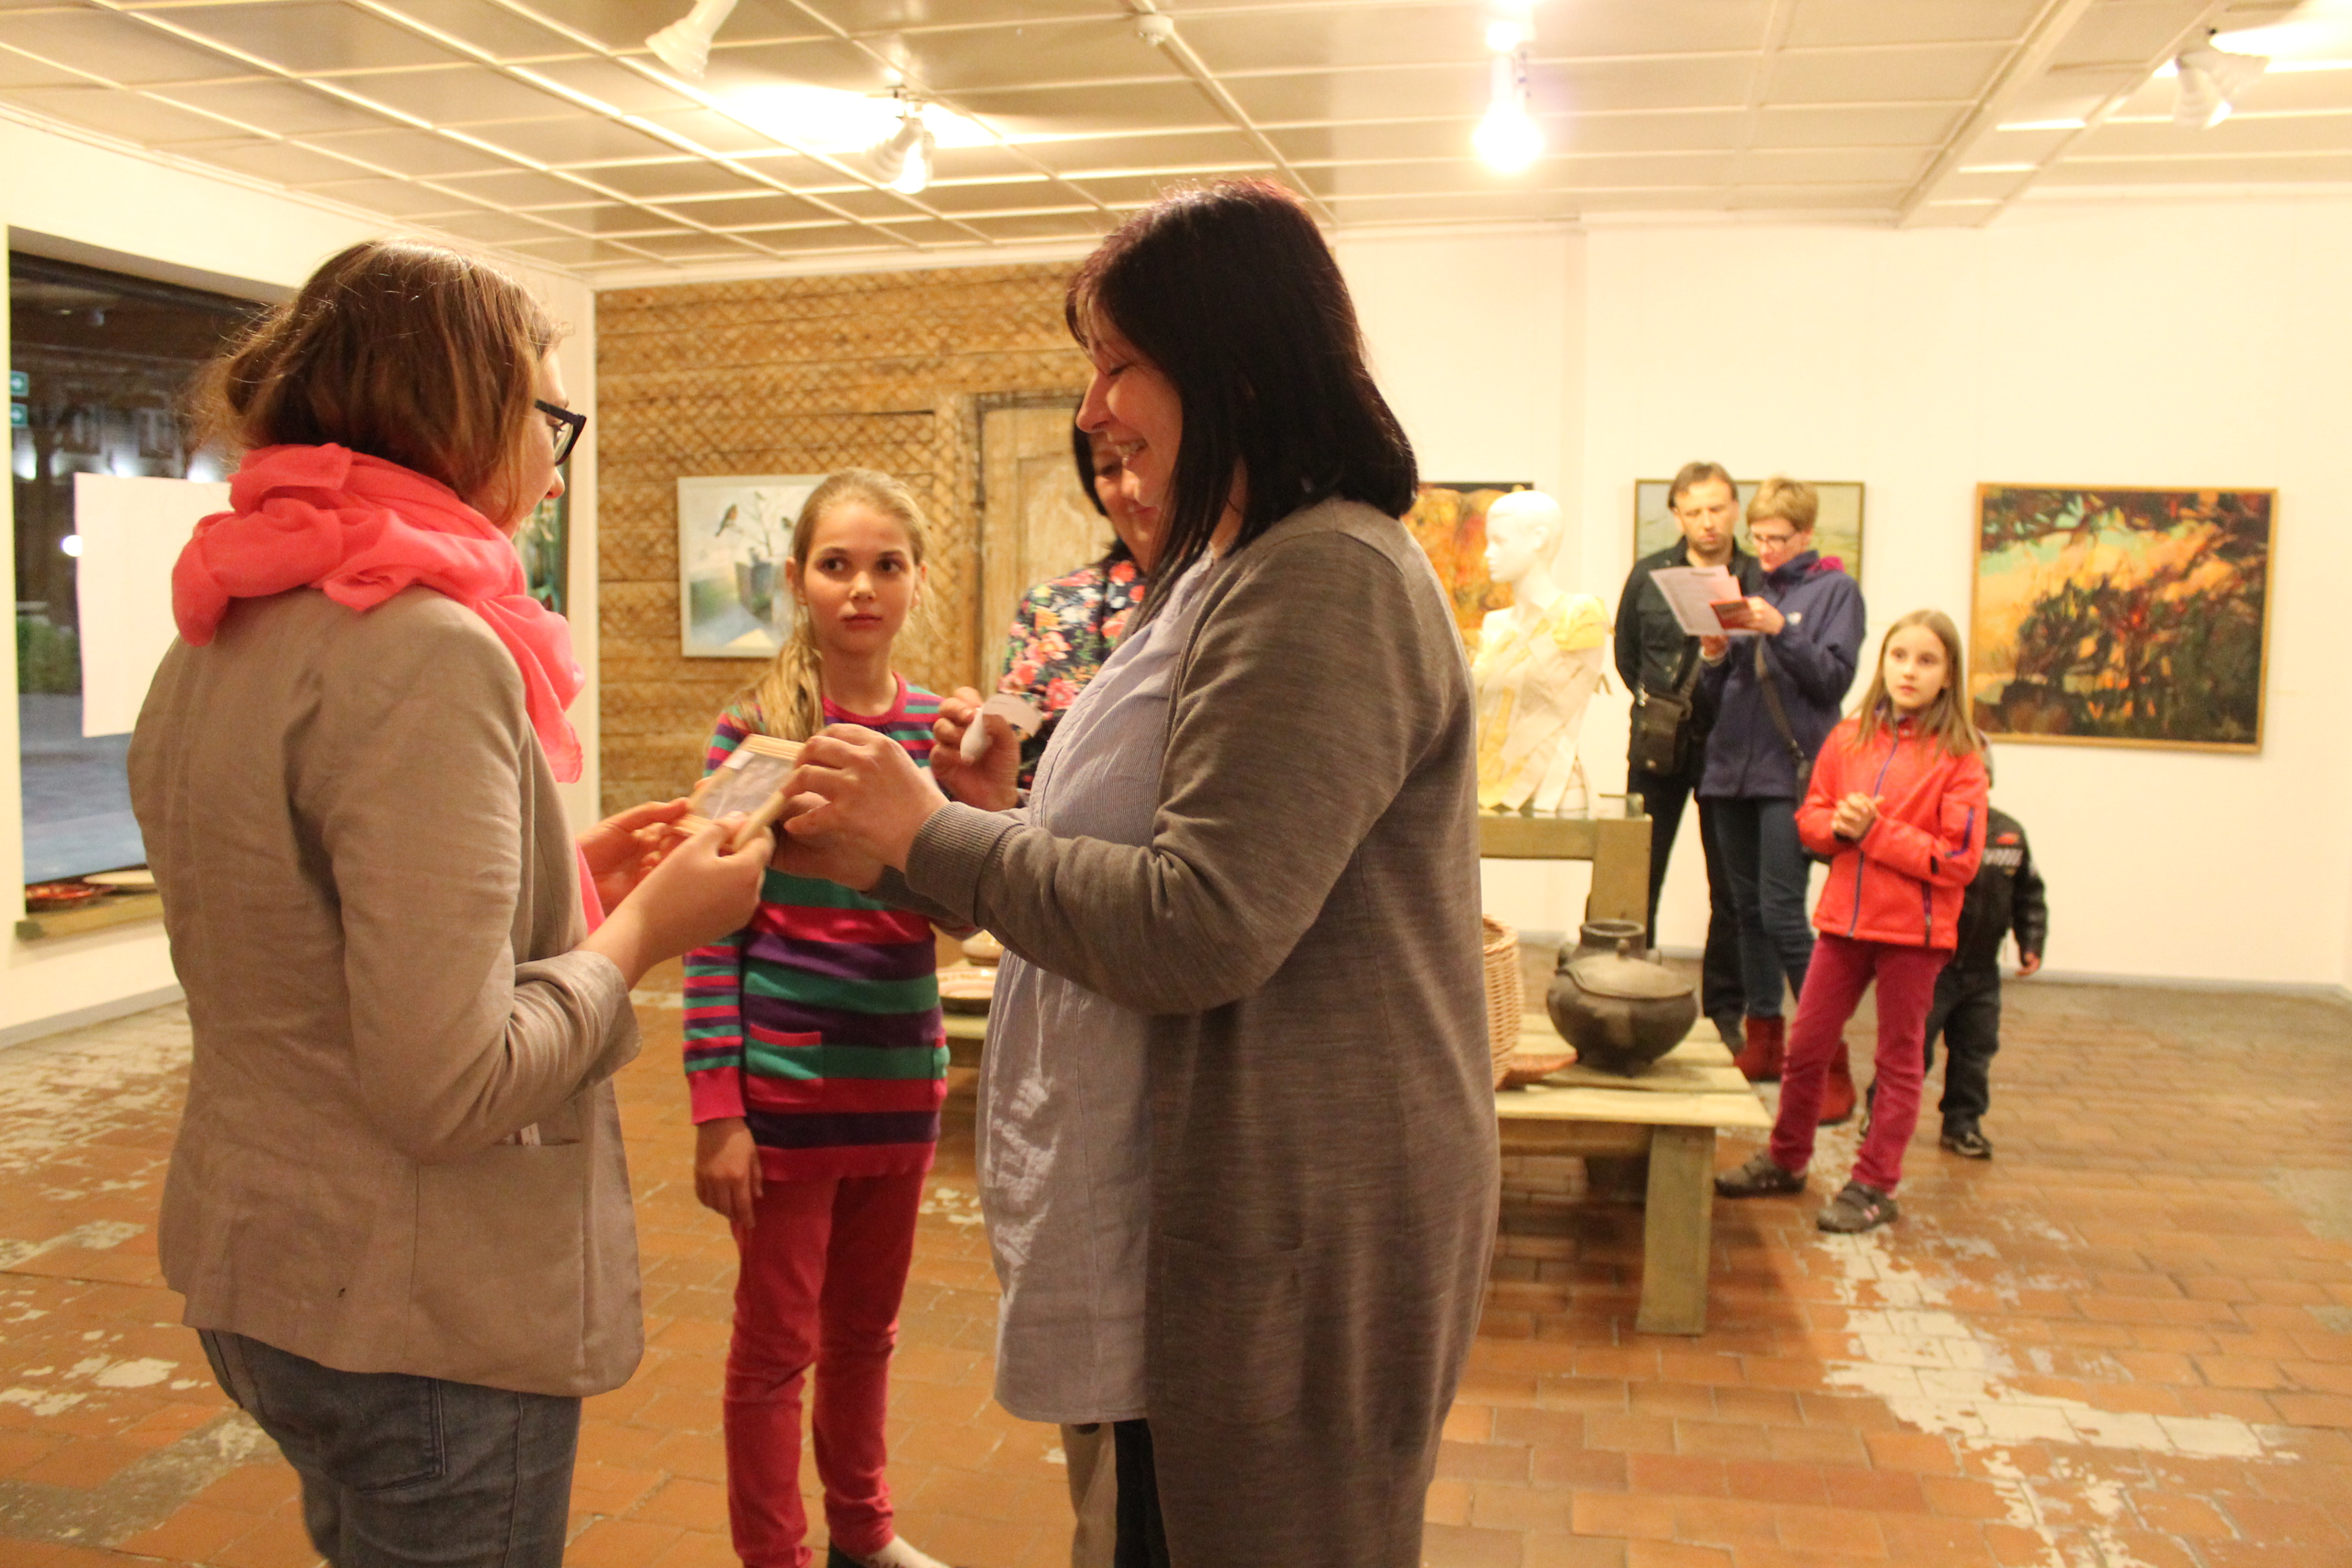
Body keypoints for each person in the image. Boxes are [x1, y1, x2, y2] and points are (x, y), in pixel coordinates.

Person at [775, 179, 1498, 1567]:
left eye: (1119, 364)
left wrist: (932, 835)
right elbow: (1155, 851)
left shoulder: (1328, 574)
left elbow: (1202, 920)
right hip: (1206, 1197)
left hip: (1288, 1208)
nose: (1094, 407)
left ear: (1232, 363)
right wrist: (980, 818)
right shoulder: (1224, 566)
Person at [127, 239, 770, 1567]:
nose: (554, 468)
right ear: (462, 407)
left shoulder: (232, 618)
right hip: (419, 1308)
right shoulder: (425, 646)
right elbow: (453, 1082)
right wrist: (643, 932)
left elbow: (305, 920)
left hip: (271, 1263)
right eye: (550, 418)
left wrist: (566, 876)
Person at [682, 470, 957, 1568]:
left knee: (865, 1335)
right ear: (797, 579)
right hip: (787, 1100)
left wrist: (984, 794)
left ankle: (863, 1531)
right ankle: (774, 1555)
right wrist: (719, 1108)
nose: (861, 588)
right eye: (837, 565)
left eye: (886, 564)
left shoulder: (935, 735)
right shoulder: (756, 731)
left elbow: (962, 904)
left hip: (899, 1087)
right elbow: (710, 926)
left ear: (918, 580)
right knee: (774, 1349)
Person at [1714, 609, 1989, 1233]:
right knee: (1807, 1047)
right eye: (1899, 656)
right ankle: (1786, 1159)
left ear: (1949, 675)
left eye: (1927, 661)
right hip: (1843, 924)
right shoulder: (1848, 737)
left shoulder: (1961, 757)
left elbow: (1959, 859)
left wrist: (1874, 832)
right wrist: (1838, 827)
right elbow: (1811, 817)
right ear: (1883, 663)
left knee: (1898, 1063)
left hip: (1914, 937)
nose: (1909, 671)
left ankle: (1873, 1185)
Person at [1697, 476, 1866, 1114]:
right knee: (1745, 911)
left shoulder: (1837, 591)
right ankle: (1763, 1040)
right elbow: (1721, 699)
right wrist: (1716, 657)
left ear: (1806, 535)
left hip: (1789, 774)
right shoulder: (1751, 589)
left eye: (1777, 538)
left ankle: (1827, 1062)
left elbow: (1832, 681)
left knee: (1784, 913)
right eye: (1759, 537)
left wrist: (1781, 631)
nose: (1765, 549)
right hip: (1730, 773)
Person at [1615, 461, 1762, 1043]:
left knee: (1730, 887)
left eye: (1717, 508)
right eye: (1694, 511)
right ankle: (1625, 992)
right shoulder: (1650, 575)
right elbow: (1628, 656)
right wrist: (1665, 706)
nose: (1707, 522)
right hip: (1660, 742)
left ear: (1736, 509)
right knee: (1637, 874)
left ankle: (1724, 1014)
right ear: (1677, 515)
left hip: (1734, 746)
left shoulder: (1757, 577)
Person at [995, 414, 1161, 790]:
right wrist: (981, 732)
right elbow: (1018, 741)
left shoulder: (1249, 588)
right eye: (1109, 468)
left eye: (1143, 454)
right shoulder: (1052, 609)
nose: (1131, 485)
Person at [1922, 765, 2046, 1158]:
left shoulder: (2010, 835)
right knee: (1912, 1046)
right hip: (1933, 966)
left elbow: (2029, 895)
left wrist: (2031, 942)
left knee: (1975, 1051)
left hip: (1982, 971)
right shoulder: (1929, 828)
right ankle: (1881, 1114)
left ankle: (1963, 1124)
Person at [1473, 489, 1608, 815]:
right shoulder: (1494, 625)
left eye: (1500, 541)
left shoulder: (1580, 616)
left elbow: (1565, 709)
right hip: (1484, 788)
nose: (1488, 554)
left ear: (1539, 539)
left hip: (1554, 790)